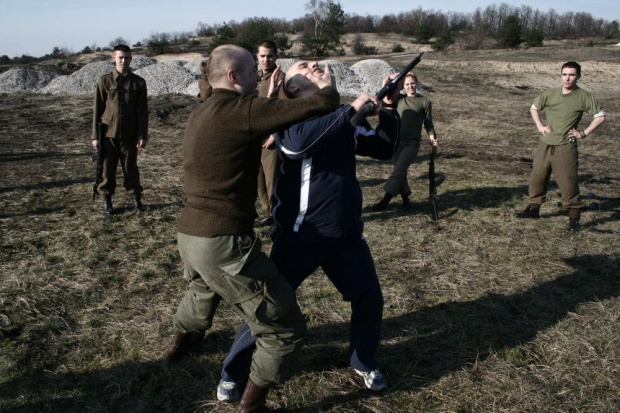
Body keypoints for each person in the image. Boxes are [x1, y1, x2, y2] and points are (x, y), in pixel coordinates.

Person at [164, 45, 340, 412]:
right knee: (283, 326)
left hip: (190, 234)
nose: (258, 77)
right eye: (251, 72)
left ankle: (177, 348)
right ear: (233, 77)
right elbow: (317, 106)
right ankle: (251, 406)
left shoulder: (203, 111)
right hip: (221, 241)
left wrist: (271, 98)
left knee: (201, 293)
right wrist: (327, 86)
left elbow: (258, 122)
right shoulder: (241, 111)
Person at [216, 60, 402, 403]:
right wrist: (352, 109)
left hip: (345, 237)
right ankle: (234, 371)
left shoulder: (342, 121)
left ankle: (364, 360)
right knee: (269, 308)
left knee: (369, 298)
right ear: (293, 88)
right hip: (302, 237)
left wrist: (389, 107)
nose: (316, 64)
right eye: (304, 65)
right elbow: (298, 146)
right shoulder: (289, 120)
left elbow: (384, 148)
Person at [515, 61, 606, 231]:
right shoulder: (551, 94)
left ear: (578, 76)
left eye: (571, 74)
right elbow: (534, 107)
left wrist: (583, 133)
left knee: (568, 181)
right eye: (564, 74)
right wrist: (540, 126)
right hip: (545, 143)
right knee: (538, 177)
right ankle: (533, 209)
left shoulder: (584, 96)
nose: (567, 78)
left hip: (566, 145)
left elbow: (600, 116)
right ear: (561, 75)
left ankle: (574, 218)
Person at [91, 44, 148, 215]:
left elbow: (143, 112)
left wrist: (142, 135)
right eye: (120, 57)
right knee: (107, 170)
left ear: (131, 59)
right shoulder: (104, 81)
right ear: (113, 58)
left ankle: (136, 200)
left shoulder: (138, 82)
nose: (124, 61)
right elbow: (97, 110)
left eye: (127, 57)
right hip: (108, 135)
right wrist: (95, 136)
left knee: (131, 169)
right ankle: (107, 202)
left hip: (129, 135)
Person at [371, 72, 437, 211]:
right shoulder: (399, 99)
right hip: (397, 143)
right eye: (406, 84)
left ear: (417, 83)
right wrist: (389, 82)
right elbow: (385, 100)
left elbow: (428, 123)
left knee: (398, 171)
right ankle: (406, 200)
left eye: (412, 83)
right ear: (403, 86)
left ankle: (385, 201)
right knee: (401, 172)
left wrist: (432, 136)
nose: (410, 86)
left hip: (412, 144)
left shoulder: (424, 102)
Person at [255, 41, 285, 236]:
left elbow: (284, 110)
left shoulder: (280, 78)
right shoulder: (257, 78)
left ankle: (279, 221)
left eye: (270, 56)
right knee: (259, 181)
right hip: (256, 137)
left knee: (273, 182)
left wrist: (275, 135)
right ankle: (268, 213)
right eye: (262, 56)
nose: (266, 59)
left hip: (271, 141)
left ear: (276, 57)